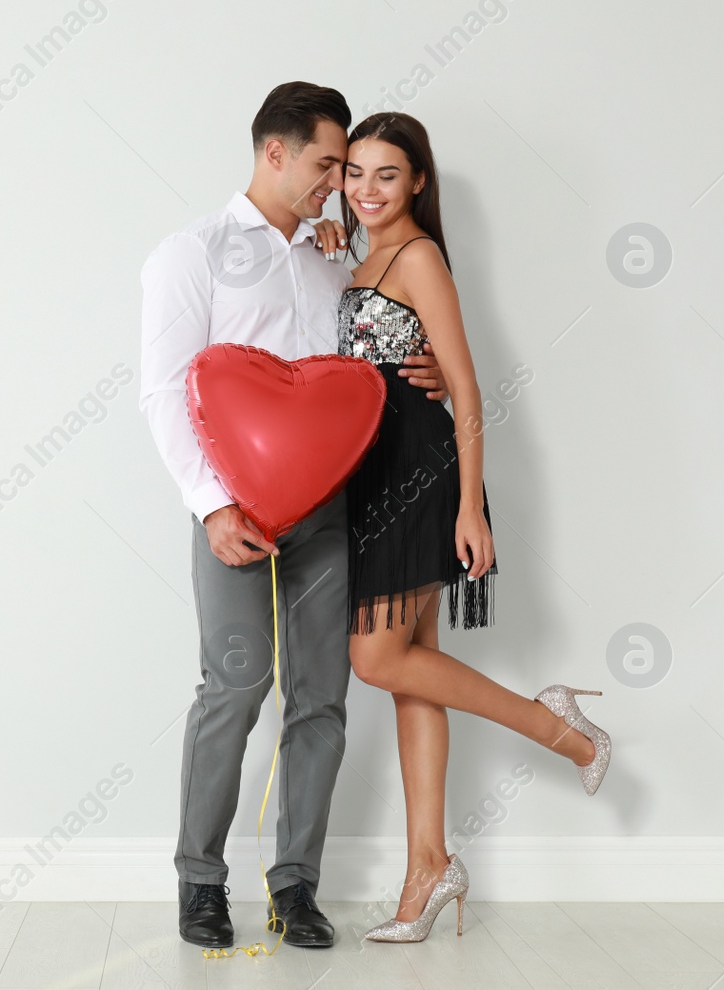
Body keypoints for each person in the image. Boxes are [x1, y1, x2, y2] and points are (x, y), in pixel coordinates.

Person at [138, 82, 452, 950]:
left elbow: (366, 362)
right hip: (231, 509)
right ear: (274, 153)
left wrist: (424, 362)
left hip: (326, 512)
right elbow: (163, 391)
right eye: (326, 165)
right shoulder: (190, 253)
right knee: (233, 688)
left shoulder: (330, 257)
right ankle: (200, 881)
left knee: (322, 696)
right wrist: (210, 507)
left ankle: (296, 887)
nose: (339, 185)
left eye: (348, 169)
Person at [335, 111, 612, 943]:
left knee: (375, 656)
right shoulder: (357, 257)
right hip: (368, 478)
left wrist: (468, 506)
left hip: (418, 478)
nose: (366, 189)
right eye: (353, 172)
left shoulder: (418, 257)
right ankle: (429, 870)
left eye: (386, 174)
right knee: (414, 672)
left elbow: (467, 389)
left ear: (419, 179)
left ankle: (560, 728)